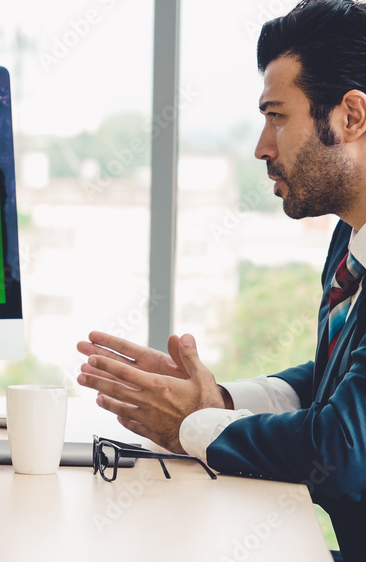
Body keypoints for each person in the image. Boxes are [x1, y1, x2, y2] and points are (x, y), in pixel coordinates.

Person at [77, 1, 366, 559]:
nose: (262, 146)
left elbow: (345, 450)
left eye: (278, 116)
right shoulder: (350, 238)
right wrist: (221, 401)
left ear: (350, 117)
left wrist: (196, 424)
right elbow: (339, 377)